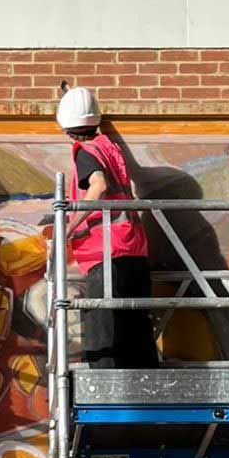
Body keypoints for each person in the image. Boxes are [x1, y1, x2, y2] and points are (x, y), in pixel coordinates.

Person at [56, 85, 160, 370]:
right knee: (136, 329)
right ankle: (148, 394)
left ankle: (105, 402)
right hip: (133, 249)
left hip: (107, 254)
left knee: (105, 334)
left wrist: (68, 225)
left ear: (64, 127)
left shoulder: (85, 152)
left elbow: (98, 185)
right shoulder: (107, 146)